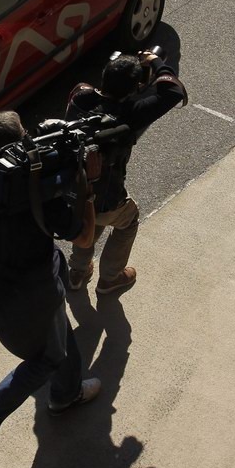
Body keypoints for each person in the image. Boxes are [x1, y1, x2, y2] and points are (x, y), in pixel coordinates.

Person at [0, 111, 102, 459]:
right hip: (41, 290)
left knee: (60, 340)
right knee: (49, 356)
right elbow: (86, 237)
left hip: (3, 281)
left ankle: (65, 393)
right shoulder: (39, 189)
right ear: (22, 139)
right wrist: (88, 189)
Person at [64, 50, 187, 295]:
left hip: (72, 190)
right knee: (127, 220)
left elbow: (98, 95)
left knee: (88, 220)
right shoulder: (129, 114)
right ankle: (110, 278)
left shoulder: (80, 97)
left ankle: (78, 271)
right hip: (107, 197)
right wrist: (155, 61)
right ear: (134, 88)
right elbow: (173, 91)